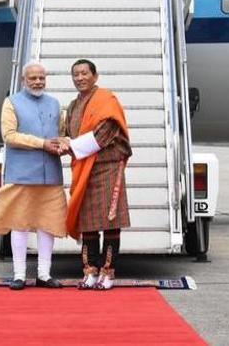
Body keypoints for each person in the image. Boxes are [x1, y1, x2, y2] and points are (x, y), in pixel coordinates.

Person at [0, 61, 67, 290]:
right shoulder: (11, 102)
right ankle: (19, 275)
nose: (38, 82)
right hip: (22, 173)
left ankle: (44, 274)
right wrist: (43, 144)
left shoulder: (54, 103)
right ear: (24, 80)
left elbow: (60, 134)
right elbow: (9, 136)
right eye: (33, 78)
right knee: (19, 224)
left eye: (41, 78)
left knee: (48, 225)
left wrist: (64, 144)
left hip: (50, 174)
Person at [60, 59, 132, 290]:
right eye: (76, 75)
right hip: (83, 168)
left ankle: (108, 273)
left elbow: (103, 135)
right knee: (87, 223)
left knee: (110, 223)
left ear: (95, 76)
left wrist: (68, 146)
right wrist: (57, 143)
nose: (80, 78)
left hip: (107, 166)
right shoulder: (72, 106)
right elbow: (65, 133)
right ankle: (90, 271)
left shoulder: (106, 100)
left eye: (84, 73)